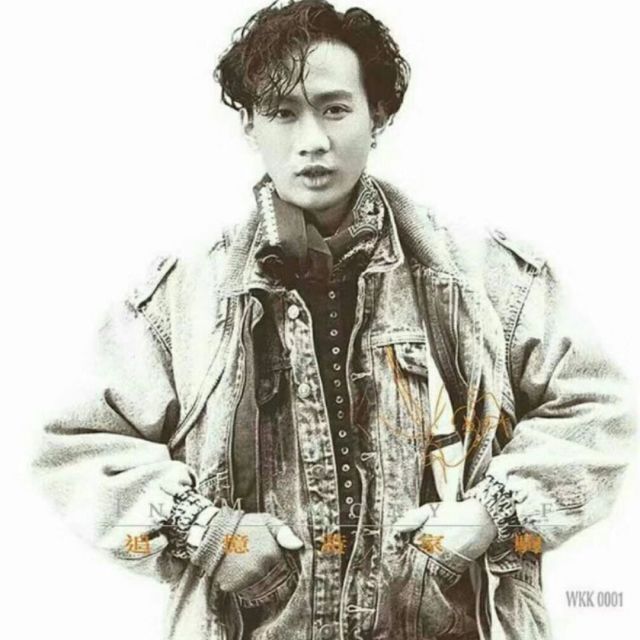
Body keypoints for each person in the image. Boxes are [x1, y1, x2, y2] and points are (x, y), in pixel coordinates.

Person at [31, 1, 636, 639]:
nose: (312, 140)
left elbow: (598, 410)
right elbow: (76, 444)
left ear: (378, 116)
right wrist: (209, 533)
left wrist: (492, 512)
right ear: (250, 124)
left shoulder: (483, 277)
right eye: (282, 112)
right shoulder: (185, 296)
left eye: (335, 108)